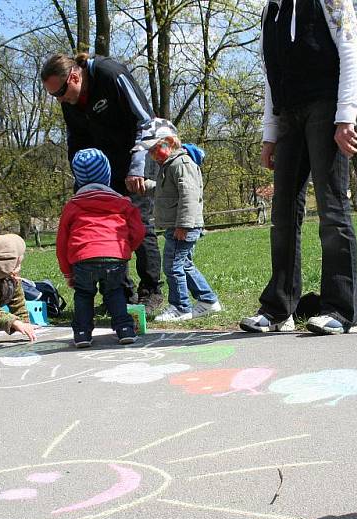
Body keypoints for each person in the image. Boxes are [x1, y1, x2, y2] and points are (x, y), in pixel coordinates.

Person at [239, 0, 357, 335]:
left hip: (327, 107)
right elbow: (271, 76)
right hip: (288, 116)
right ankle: (279, 309)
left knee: (331, 207)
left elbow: (353, 49)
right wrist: (270, 135)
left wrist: (346, 116)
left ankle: (341, 310)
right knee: (282, 213)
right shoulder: (270, 12)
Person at [40, 52, 164, 311]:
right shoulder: (69, 100)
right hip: (102, 169)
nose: (60, 99)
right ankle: (120, 293)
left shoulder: (111, 74)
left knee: (138, 225)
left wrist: (137, 168)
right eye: (54, 96)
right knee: (107, 227)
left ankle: (150, 290)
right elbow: (76, 140)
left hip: (135, 158)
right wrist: (83, 180)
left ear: (74, 76)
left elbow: (146, 121)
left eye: (60, 92)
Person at [56, 148, 145, 348]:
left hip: (83, 257)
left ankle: (82, 333)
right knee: (114, 292)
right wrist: (126, 248)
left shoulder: (73, 205)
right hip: (115, 257)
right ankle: (124, 329)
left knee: (84, 294)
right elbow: (138, 231)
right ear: (107, 175)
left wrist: (67, 272)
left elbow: (62, 241)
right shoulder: (122, 203)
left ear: (78, 179)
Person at [134, 119, 222, 322]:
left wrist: (184, 225)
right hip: (179, 226)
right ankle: (208, 300)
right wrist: (147, 186)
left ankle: (181, 307)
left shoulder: (182, 164)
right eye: (150, 151)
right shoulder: (169, 165)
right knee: (184, 265)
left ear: (171, 142)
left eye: (156, 149)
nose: (152, 155)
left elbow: (189, 197)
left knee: (173, 266)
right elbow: (167, 192)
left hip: (183, 226)